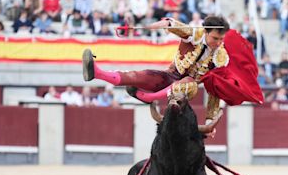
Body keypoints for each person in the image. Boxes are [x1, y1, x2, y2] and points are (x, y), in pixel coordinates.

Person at [82, 15, 263, 127]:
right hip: (169, 76)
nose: (218, 42)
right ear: (206, 32)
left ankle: (146, 97)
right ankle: (97, 73)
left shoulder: (221, 58)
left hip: (187, 90)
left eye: (221, 38)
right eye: (215, 38)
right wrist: (149, 27)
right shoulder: (195, 33)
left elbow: (214, 88)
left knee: (186, 84)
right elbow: (170, 23)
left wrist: (210, 120)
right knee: (138, 76)